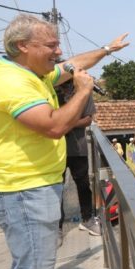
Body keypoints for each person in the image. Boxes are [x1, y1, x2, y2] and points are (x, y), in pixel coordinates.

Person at [0, 13, 128, 269]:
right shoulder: (10, 82)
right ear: (23, 46)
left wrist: (107, 50)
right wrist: (83, 91)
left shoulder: (33, 75)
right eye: (51, 46)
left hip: (29, 188)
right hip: (23, 191)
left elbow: (75, 64)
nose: (59, 52)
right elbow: (55, 126)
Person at [56, 78, 98, 242]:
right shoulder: (51, 92)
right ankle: (57, 228)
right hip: (55, 150)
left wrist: (65, 123)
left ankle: (87, 220)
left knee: (83, 186)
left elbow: (88, 119)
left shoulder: (83, 93)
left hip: (78, 149)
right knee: (56, 189)